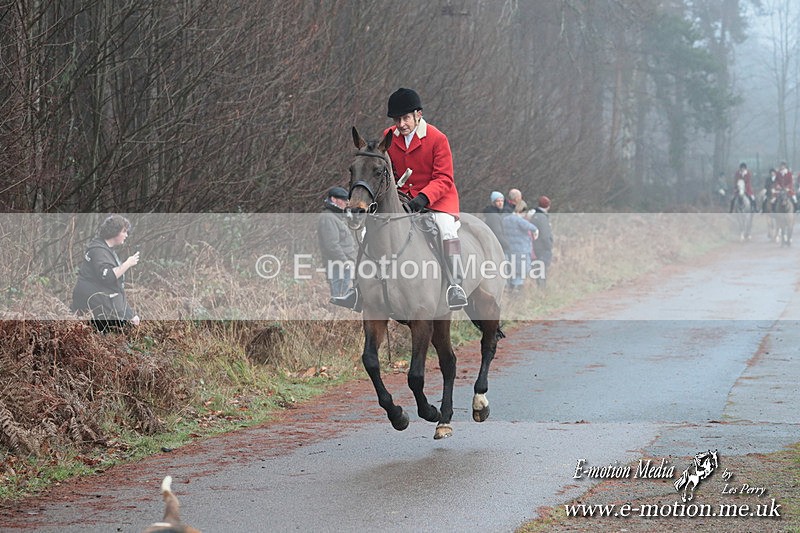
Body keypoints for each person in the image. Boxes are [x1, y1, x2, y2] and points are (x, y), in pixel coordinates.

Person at [383, 87, 468, 309]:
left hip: (437, 199)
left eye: (406, 118)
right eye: (397, 119)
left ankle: (454, 285)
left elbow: (444, 177)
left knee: (445, 227)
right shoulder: (388, 137)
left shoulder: (437, 138)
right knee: (370, 228)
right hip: (402, 199)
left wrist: (422, 199)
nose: (401, 124)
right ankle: (359, 287)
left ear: (418, 115)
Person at [71, 214, 140, 332]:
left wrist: (129, 314)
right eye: (124, 231)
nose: (126, 235)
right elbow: (107, 276)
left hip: (95, 302)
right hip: (92, 302)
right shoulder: (98, 251)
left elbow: (114, 288)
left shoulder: (105, 250)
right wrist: (127, 264)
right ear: (114, 232)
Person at [317, 186, 356, 300]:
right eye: (343, 200)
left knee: (343, 296)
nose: (346, 202)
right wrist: (345, 262)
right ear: (334, 199)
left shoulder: (336, 217)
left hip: (343, 264)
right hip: (338, 265)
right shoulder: (328, 217)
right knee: (339, 298)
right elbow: (331, 245)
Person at [502, 204, 538, 293]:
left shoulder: (505, 220)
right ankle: (517, 293)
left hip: (509, 249)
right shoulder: (519, 220)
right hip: (521, 250)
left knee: (511, 271)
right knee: (520, 273)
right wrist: (536, 233)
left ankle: (511, 290)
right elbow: (532, 228)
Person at [529, 195, 553, 288]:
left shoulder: (534, 215)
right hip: (542, 247)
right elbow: (545, 235)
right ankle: (542, 289)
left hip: (535, 246)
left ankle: (540, 287)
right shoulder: (542, 217)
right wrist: (549, 246)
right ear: (548, 206)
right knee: (542, 270)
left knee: (538, 269)